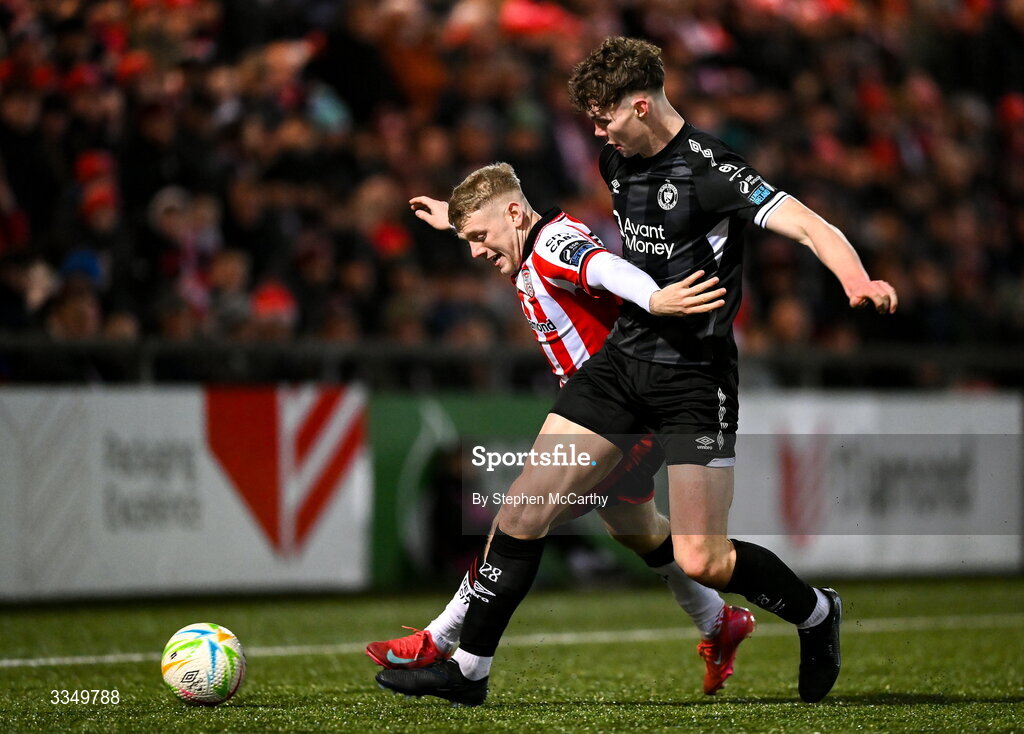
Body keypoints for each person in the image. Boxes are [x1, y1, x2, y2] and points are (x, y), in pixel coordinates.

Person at [377, 36, 900, 707]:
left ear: (643, 104)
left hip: (695, 376)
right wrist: (461, 223)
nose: (597, 132)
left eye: (604, 117)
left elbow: (805, 223)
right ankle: (467, 671)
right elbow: (535, 233)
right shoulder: (617, 162)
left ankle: (816, 614)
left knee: (702, 558)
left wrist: (856, 278)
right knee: (523, 508)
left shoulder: (713, 169)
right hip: (622, 363)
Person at [370, 163, 755, 702]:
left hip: (621, 409)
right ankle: (718, 621)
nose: (476, 252)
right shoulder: (524, 239)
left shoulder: (553, 242)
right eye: (469, 241)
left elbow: (606, 269)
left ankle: (443, 643)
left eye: (479, 238)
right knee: (634, 527)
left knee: (521, 515)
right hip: (603, 410)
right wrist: (455, 218)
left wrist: (654, 298)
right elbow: (505, 224)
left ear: (512, 212)